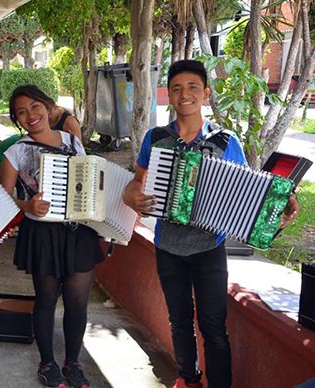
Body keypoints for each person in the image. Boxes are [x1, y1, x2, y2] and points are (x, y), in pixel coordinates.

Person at [122, 60, 300, 388]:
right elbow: (137, 181)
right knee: (178, 321)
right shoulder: (156, 138)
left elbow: (250, 188)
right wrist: (131, 196)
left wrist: (283, 201)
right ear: (169, 96)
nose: (184, 94)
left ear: (205, 93)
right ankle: (188, 379)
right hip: (168, 246)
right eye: (176, 88)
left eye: (192, 87)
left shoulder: (225, 141)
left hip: (209, 248)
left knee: (214, 326)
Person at [0, 84, 104, 388]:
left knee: (77, 301)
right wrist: (26, 204)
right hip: (42, 234)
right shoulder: (16, 151)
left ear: (47, 107)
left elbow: (88, 180)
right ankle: (47, 363)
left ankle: (73, 363)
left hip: (78, 231)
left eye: (35, 106)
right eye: (22, 112)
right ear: (17, 120)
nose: (31, 115)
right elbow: (2, 197)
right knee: (46, 299)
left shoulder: (72, 140)